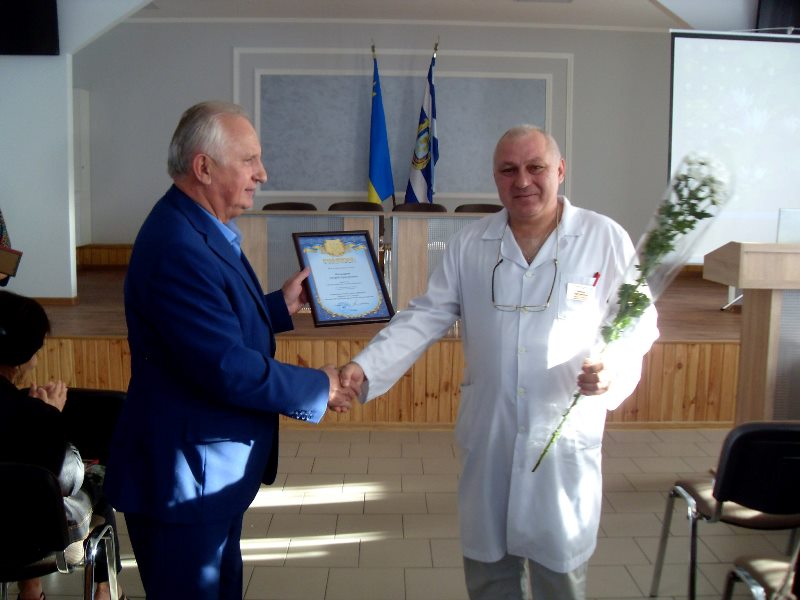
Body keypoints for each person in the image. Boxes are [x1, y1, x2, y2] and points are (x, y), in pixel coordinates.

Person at [340, 125, 659, 599]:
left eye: (536, 168)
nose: (522, 181)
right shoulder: (471, 242)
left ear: (560, 170)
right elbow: (426, 315)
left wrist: (613, 368)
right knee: (489, 572)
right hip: (491, 430)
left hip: (562, 435)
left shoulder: (603, 237)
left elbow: (639, 320)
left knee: (559, 574)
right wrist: (366, 366)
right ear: (495, 178)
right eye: (508, 170)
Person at [103, 100, 354, 600]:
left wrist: (279, 306)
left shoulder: (198, 225)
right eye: (249, 160)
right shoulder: (178, 244)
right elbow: (224, 365)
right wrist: (319, 386)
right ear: (203, 167)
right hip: (183, 480)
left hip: (206, 476)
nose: (262, 173)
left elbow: (208, 327)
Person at [0, 290, 124, 600]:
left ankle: (31, 589)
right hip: (29, 538)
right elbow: (67, 478)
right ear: (24, 354)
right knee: (96, 475)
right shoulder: (34, 415)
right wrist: (49, 415)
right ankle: (104, 589)